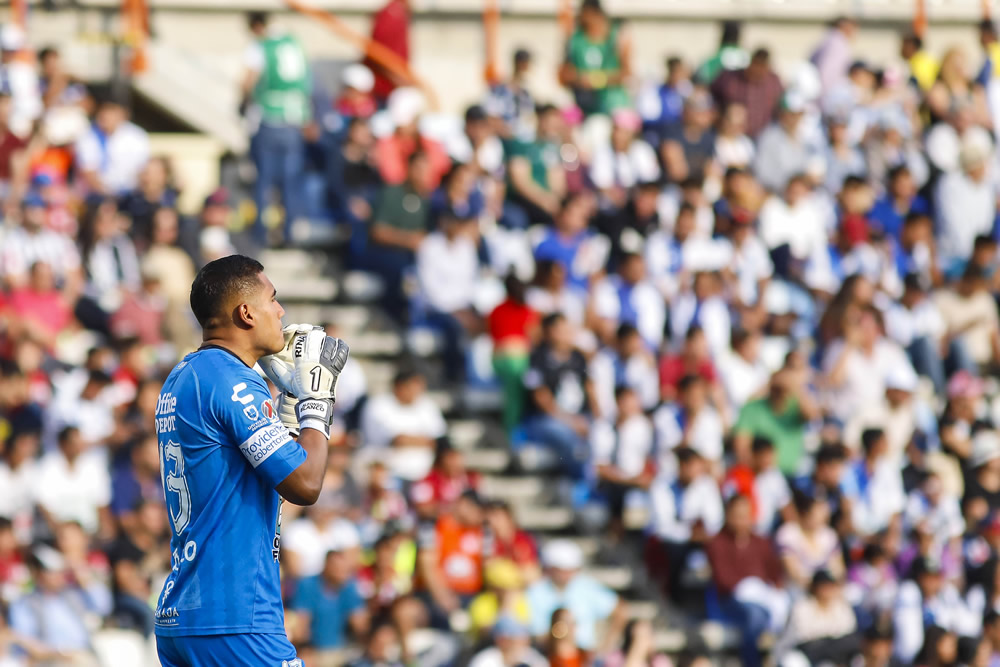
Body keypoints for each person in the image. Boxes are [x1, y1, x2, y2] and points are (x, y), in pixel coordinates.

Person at [153, 254, 349, 666]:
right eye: (273, 299)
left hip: (183, 614)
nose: (280, 311)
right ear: (246, 312)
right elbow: (305, 484)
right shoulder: (233, 380)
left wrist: (290, 408)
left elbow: (252, 479)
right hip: (234, 617)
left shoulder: (184, 375)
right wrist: (318, 398)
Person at [241, 12, 311, 247]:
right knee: (291, 181)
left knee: (264, 181)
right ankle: (290, 231)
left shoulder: (261, 45)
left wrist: (243, 102)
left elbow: (248, 80)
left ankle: (261, 234)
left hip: (270, 117)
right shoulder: (293, 43)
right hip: (294, 118)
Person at [705, 494, 787, 667]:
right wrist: (748, 586)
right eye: (738, 515)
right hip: (731, 600)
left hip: (763, 595)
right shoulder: (717, 543)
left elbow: (774, 573)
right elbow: (722, 579)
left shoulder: (761, 542)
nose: (742, 521)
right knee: (755, 616)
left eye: (746, 515)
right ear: (728, 516)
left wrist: (771, 589)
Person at [289, 546, 369, 667]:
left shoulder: (349, 587)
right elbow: (301, 627)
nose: (341, 573)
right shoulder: (308, 585)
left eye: (345, 569)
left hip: (343, 650)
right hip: (314, 651)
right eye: (337, 568)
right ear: (326, 566)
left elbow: (360, 625)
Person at [558, 0, 631, 117]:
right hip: (583, 104)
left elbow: (626, 74)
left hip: (613, 104)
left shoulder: (617, 38)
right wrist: (578, 79)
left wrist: (594, 80)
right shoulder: (575, 40)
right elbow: (563, 75)